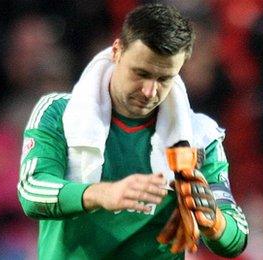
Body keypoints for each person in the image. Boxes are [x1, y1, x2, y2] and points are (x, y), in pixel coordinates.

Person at [17, 4, 248, 259]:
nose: (149, 91)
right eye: (141, 73)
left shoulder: (199, 137)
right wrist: (103, 193)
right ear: (117, 52)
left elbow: (236, 237)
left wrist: (212, 222)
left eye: (164, 79)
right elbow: (32, 190)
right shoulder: (59, 113)